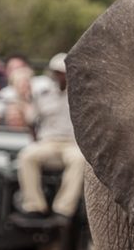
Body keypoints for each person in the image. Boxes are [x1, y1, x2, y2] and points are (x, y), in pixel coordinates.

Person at [16, 53, 85, 219]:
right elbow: (32, 120)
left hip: (72, 143)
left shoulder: (81, 96)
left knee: (80, 160)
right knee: (27, 156)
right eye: (58, 72)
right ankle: (33, 205)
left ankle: (63, 209)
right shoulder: (43, 94)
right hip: (48, 141)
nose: (61, 76)